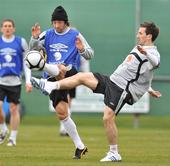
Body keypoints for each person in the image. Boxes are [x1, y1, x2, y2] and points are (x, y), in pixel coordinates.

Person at [31, 21, 161, 162]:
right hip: (112, 81)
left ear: (149, 36)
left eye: (141, 33)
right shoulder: (139, 48)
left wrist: (146, 53)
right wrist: (149, 88)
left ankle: (114, 153)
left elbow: (156, 63)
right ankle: (49, 85)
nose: (137, 35)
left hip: (122, 89)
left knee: (107, 118)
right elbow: (142, 74)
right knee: (81, 77)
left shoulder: (152, 53)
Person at [29, 5, 94, 158]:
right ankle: (80, 147)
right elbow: (33, 52)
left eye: (60, 22)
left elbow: (90, 54)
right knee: (62, 113)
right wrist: (35, 38)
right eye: (54, 22)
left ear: (66, 22)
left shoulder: (75, 34)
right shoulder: (47, 34)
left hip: (70, 73)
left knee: (61, 67)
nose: (57, 25)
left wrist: (81, 49)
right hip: (52, 76)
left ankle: (45, 83)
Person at [0, 19, 32, 146]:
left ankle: (13, 138)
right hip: (1, 81)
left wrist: (28, 81)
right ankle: (3, 128)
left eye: (10, 26)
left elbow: (27, 63)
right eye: (5, 26)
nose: (7, 28)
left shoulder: (21, 42)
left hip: (15, 82)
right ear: (2, 29)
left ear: (13, 28)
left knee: (14, 109)